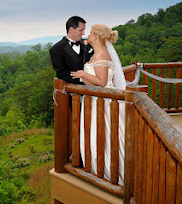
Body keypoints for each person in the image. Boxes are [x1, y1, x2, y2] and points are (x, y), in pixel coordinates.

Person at [71, 24, 126, 186]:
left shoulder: (101, 55)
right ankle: (98, 168)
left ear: (97, 36)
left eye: (91, 33)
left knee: (106, 135)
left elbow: (102, 82)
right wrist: (83, 78)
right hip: (96, 99)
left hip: (105, 101)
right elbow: (94, 81)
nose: (88, 35)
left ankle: (110, 171)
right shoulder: (97, 54)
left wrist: (82, 73)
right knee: (97, 134)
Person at [50, 16, 94, 84]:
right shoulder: (56, 49)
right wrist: (82, 79)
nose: (83, 33)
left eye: (84, 30)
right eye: (80, 30)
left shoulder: (88, 44)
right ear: (71, 29)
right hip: (72, 91)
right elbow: (61, 74)